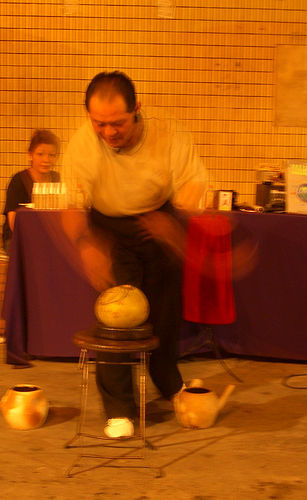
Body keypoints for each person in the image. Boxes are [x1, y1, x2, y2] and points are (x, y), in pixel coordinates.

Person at [62, 71, 207, 439]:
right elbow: (72, 207)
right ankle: (119, 409)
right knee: (117, 317)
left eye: (118, 123)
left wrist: (177, 221)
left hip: (159, 219)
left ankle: (168, 383)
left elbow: (192, 183)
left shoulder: (168, 132)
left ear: (137, 110)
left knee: (164, 313)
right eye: (100, 124)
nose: (109, 132)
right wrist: (85, 244)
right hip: (109, 226)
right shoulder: (83, 144)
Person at [2, 129, 61, 254]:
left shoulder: (58, 179)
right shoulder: (18, 181)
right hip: (19, 238)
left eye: (51, 155)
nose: (46, 159)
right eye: (40, 154)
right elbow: (13, 222)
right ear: (30, 155)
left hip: (49, 237)